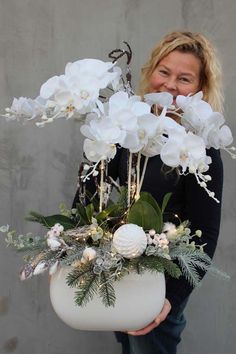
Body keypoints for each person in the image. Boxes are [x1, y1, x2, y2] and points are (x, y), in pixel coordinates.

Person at [72, 31, 224, 354]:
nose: (169, 85)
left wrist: (171, 298)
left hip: (161, 288)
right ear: (150, 72)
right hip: (122, 274)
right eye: (164, 72)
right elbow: (92, 186)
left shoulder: (200, 147)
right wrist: (68, 251)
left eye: (184, 78)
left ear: (199, 89)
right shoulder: (129, 128)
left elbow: (206, 234)